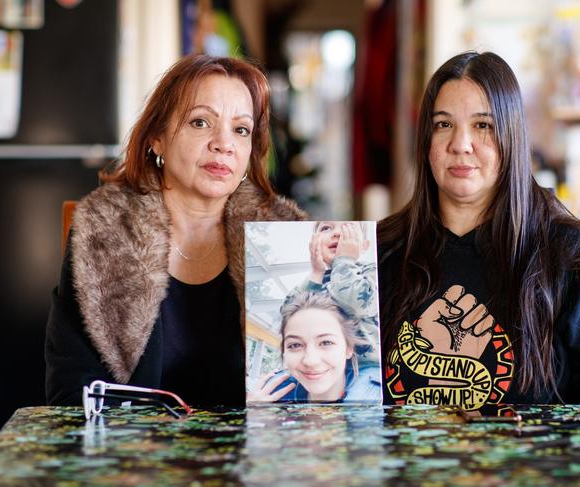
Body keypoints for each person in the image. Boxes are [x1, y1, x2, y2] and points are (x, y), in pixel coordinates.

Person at [377, 51, 580, 415]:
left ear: (511, 136)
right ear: (426, 142)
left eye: (483, 126)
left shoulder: (573, 258)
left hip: (533, 470)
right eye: (443, 124)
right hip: (400, 471)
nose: (460, 144)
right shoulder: (380, 253)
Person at [45, 54, 306, 408]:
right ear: (157, 138)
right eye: (200, 123)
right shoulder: (105, 234)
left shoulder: (284, 240)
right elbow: (72, 392)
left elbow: (314, 387)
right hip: (136, 456)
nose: (223, 143)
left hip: (255, 454)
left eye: (241, 130)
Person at [247, 291, 381, 403]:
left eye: (326, 342)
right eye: (295, 345)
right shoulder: (266, 400)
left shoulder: (377, 397)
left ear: (348, 349)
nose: (310, 361)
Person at [284, 221, 380, 364]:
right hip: (318, 366)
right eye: (326, 228)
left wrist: (344, 260)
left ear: (364, 246)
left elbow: (356, 304)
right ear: (314, 241)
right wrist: (316, 274)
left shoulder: (370, 271)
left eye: (348, 227)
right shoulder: (314, 281)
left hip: (364, 368)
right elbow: (288, 316)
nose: (337, 233)